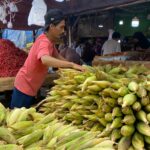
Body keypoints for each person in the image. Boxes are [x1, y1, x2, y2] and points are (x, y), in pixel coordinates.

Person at [10, 9, 84, 108]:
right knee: (16, 119)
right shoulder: (44, 41)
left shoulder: (50, 42)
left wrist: (74, 68)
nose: (63, 31)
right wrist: (71, 64)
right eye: (61, 27)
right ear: (52, 26)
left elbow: (58, 57)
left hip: (31, 86)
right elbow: (45, 59)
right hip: (24, 86)